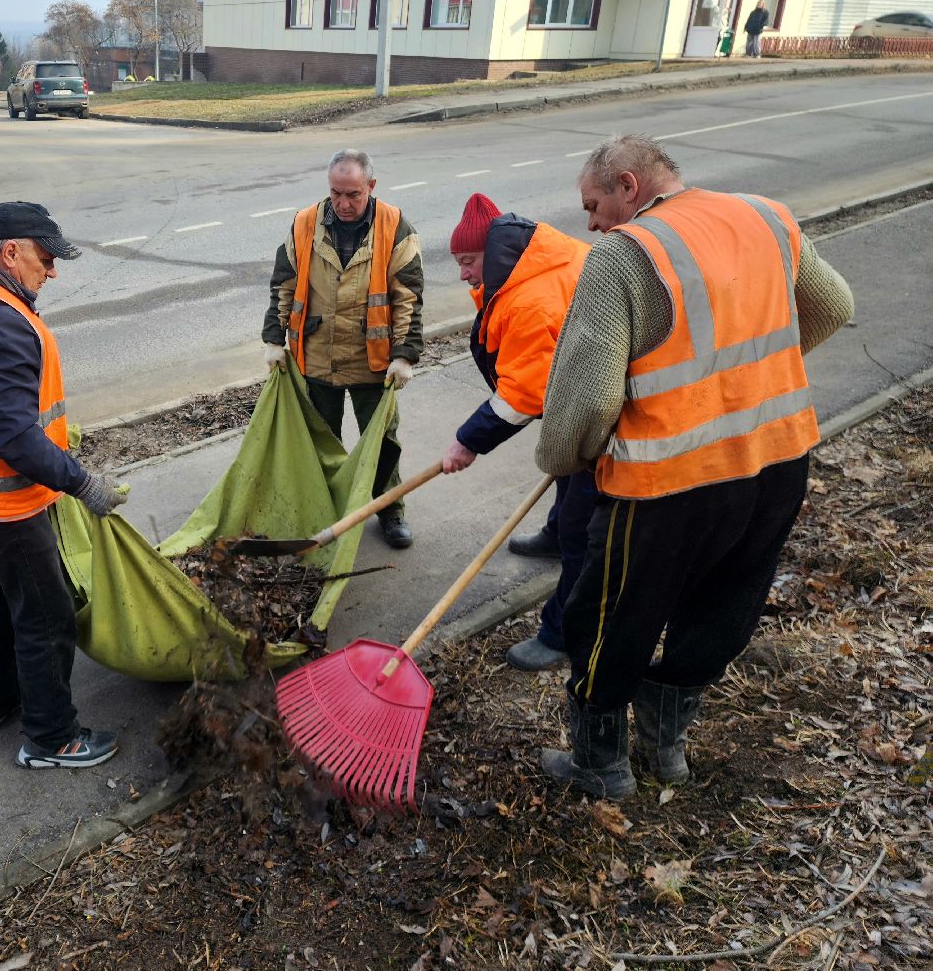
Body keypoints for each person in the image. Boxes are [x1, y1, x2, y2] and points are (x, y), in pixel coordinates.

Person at [535, 135, 853, 799]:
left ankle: (600, 763)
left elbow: (587, 400)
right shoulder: (769, 216)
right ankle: (667, 745)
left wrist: (567, 458)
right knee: (724, 606)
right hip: (776, 465)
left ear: (629, 185)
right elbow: (832, 308)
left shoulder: (624, 256)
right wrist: (748, 384)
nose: (590, 223)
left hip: (669, 486)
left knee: (609, 616)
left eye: (593, 205)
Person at [0, 201, 128, 770]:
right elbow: (10, 433)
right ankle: (51, 738)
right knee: (45, 613)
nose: (52, 271)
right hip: (3, 501)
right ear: (10, 252)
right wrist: (81, 481)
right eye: (45, 258)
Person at [440, 193, 594, 671]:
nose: (463, 274)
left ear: (495, 252)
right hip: (580, 400)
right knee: (564, 465)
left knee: (584, 533)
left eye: (468, 262)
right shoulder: (529, 261)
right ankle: (555, 533)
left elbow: (523, 394)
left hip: (610, 411)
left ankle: (562, 634)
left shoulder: (531, 297)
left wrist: (468, 441)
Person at [263, 148, 424, 548]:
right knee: (323, 442)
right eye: (336, 193)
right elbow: (283, 282)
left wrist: (404, 354)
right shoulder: (305, 223)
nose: (343, 203)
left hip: (373, 362)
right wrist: (272, 339)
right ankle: (327, 512)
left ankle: (390, 510)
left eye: (353, 194)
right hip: (317, 356)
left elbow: (408, 295)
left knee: (382, 444)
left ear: (371, 186)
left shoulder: (394, 225)